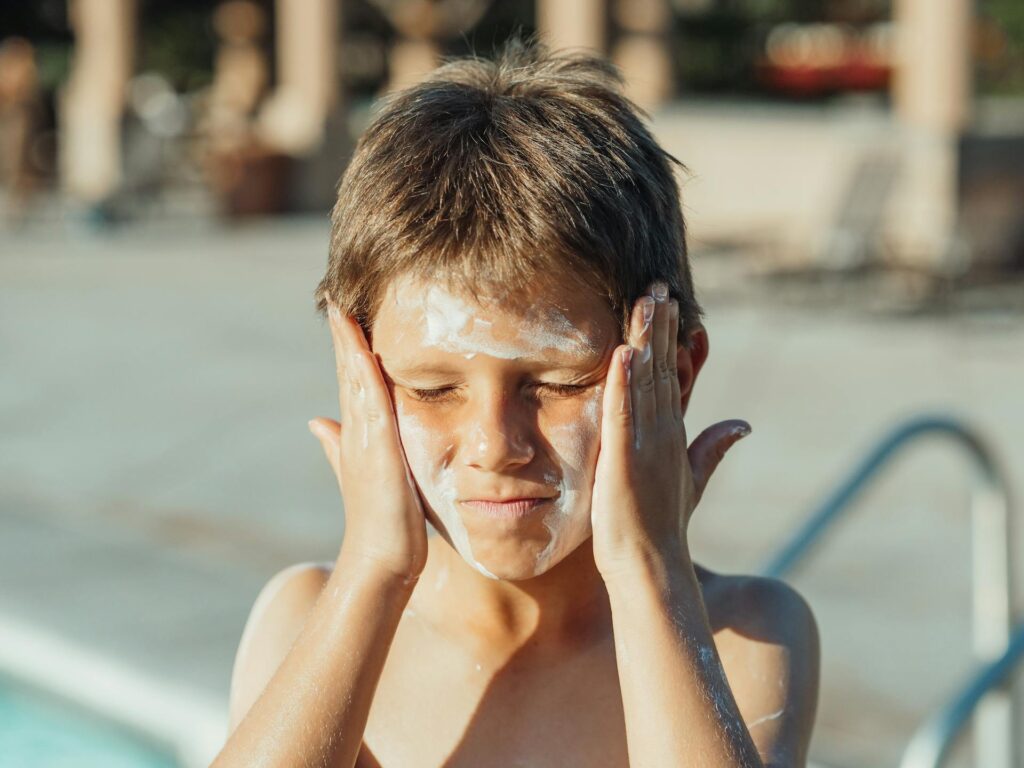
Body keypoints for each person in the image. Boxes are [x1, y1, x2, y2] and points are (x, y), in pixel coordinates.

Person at [213, 38, 820, 768]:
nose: (494, 444)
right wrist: (375, 568)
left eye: (557, 383)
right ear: (363, 384)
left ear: (676, 376)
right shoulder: (310, 621)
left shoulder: (742, 636)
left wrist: (649, 575)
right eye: (433, 389)